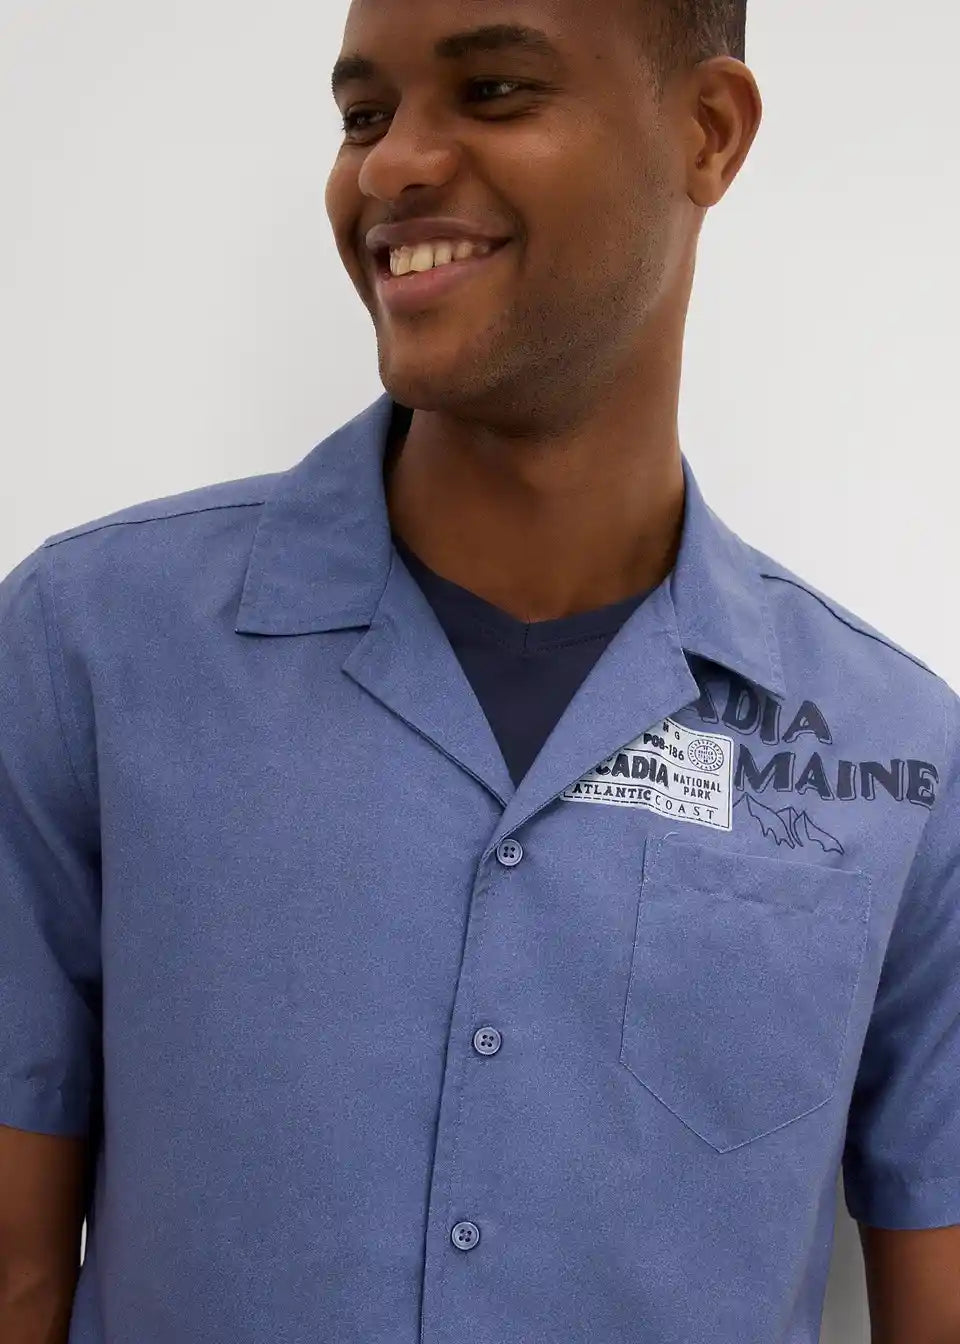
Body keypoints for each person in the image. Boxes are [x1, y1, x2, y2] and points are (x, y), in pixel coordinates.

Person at [1, 0, 958, 1341]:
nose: (392, 164)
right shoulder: (90, 650)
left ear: (708, 132)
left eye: (496, 89)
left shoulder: (899, 757)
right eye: (363, 115)